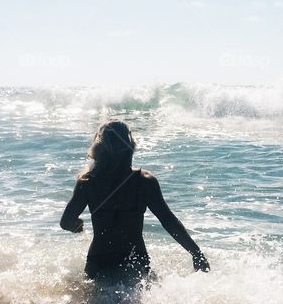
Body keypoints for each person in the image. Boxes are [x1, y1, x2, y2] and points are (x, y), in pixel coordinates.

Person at [60, 120, 210, 284]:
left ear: (99, 147)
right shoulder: (144, 181)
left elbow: (66, 222)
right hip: (134, 259)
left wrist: (77, 225)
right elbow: (168, 221)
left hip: (99, 259)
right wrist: (196, 253)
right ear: (130, 145)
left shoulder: (88, 182)